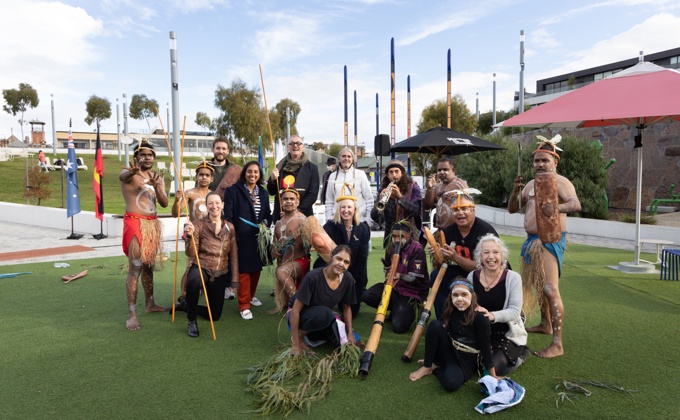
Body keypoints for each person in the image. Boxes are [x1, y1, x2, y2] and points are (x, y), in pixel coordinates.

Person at [508, 136, 581, 358]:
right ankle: (545, 324)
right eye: (537, 161)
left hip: (549, 239)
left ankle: (557, 343)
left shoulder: (560, 182)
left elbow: (575, 204)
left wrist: (554, 207)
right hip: (532, 242)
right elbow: (513, 208)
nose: (539, 164)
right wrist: (515, 190)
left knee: (550, 288)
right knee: (539, 286)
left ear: (555, 162)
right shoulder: (530, 184)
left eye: (544, 160)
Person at [408, 279, 499, 391]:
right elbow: (442, 333)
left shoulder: (480, 317)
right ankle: (428, 366)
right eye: (455, 295)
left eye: (464, 294)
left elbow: (486, 346)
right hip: (450, 349)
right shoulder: (450, 310)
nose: (459, 299)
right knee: (435, 325)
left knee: (450, 383)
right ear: (450, 297)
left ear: (472, 295)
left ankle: (435, 368)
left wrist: (493, 375)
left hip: (466, 360)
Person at [119, 140, 169, 330]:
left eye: (150, 155)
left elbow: (164, 203)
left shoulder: (157, 178)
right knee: (135, 268)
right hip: (135, 223)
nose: (147, 158)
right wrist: (132, 172)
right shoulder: (130, 175)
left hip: (152, 225)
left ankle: (150, 304)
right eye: (143, 154)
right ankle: (131, 314)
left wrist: (157, 187)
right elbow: (123, 176)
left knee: (148, 265)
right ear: (136, 157)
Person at [433, 190, 500, 321]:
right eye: (456, 210)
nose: (460, 213)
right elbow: (442, 263)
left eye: (464, 208)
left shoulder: (485, 233)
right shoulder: (449, 231)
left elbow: (484, 267)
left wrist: (455, 257)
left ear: (473, 210)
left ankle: (477, 318)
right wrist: (438, 254)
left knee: (478, 278)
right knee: (436, 276)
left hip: (487, 275)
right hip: (461, 272)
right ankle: (445, 319)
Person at [469, 234, 530, 375]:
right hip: (480, 331)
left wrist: (491, 316)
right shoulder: (472, 276)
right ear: (480, 257)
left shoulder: (513, 278)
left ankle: (520, 354)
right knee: (471, 364)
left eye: (495, 252)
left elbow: (515, 311)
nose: (491, 257)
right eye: (486, 252)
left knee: (494, 368)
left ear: (502, 256)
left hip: (505, 333)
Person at [183, 192, 239, 337]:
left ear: (222, 205)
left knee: (214, 315)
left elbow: (233, 255)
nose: (214, 206)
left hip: (220, 272)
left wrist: (234, 280)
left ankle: (187, 306)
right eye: (210, 203)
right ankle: (191, 320)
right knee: (194, 280)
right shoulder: (198, 225)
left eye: (217, 202)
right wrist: (189, 237)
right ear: (206, 206)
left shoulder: (230, 227)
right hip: (202, 267)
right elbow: (190, 253)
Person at [224, 161, 272, 320]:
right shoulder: (233, 191)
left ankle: (250, 296)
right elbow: (228, 215)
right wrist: (233, 235)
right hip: (241, 238)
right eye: (249, 172)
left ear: (260, 175)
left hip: (259, 238)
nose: (253, 175)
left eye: (256, 172)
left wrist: (266, 226)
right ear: (244, 173)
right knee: (243, 271)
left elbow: (266, 214)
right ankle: (243, 305)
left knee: (256, 269)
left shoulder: (263, 193)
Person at [289, 245, 358, 355]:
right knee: (326, 314)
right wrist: (296, 345)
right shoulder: (313, 277)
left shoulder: (347, 278)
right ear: (331, 256)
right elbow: (295, 311)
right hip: (301, 315)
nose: (341, 264)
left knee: (351, 339)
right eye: (339, 259)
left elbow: (347, 307)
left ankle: (315, 334)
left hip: (321, 315)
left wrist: (350, 333)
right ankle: (301, 336)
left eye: (346, 262)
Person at [363, 222, 429, 333]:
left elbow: (414, 278)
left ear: (409, 234)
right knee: (368, 296)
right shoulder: (390, 248)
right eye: (394, 236)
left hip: (412, 292)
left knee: (399, 327)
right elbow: (387, 270)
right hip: (395, 287)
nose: (397, 240)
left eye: (401, 236)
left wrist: (399, 275)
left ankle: (411, 310)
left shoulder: (417, 249)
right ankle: (395, 309)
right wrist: (389, 274)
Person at [313, 191, 370, 317]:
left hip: (353, 271)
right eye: (343, 207)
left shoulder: (363, 228)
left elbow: (363, 256)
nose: (346, 210)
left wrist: (352, 277)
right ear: (339, 209)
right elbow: (323, 252)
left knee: (353, 312)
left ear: (354, 210)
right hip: (332, 268)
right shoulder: (329, 226)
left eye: (349, 207)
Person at [171, 161, 213, 307]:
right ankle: (184, 295)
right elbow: (176, 213)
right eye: (201, 175)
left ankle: (203, 292)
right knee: (191, 265)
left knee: (207, 265)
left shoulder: (214, 196)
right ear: (196, 176)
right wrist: (177, 200)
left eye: (207, 175)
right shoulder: (190, 194)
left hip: (209, 236)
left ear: (211, 179)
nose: (204, 178)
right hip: (193, 234)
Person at [207, 136, 241, 300]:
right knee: (209, 248)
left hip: (229, 215)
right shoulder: (205, 167)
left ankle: (228, 285)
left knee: (228, 250)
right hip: (209, 214)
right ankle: (205, 282)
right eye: (218, 148)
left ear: (228, 151)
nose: (221, 151)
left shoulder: (235, 170)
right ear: (213, 149)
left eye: (224, 148)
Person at [271, 189, 310, 313]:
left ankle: (297, 303)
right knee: (281, 270)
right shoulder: (278, 223)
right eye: (285, 199)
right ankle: (291, 300)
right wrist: (274, 251)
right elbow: (273, 246)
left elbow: (312, 244)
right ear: (281, 202)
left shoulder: (302, 220)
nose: (288, 201)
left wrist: (302, 238)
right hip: (284, 263)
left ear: (297, 202)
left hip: (300, 262)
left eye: (292, 199)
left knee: (281, 271)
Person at [371, 159, 423, 248]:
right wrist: (380, 201)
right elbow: (375, 218)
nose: (394, 175)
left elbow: (416, 211)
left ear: (402, 173)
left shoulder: (413, 186)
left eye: (396, 171)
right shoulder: (383, 189)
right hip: (390, 236)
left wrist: (400, 197)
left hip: (410, 235)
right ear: (387, 175)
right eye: (391, 172)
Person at [267, 135, 319, 223]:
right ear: (288, 147)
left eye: (299, 143)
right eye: (292, 143)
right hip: (281, 217)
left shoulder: (312, 169)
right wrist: (272, 179)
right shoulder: (279, 166)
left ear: (303, 147)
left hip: (303, 217)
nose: (295, 146)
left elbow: (312, 195)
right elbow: (271, 192)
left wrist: (295, 212)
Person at [324, 147, 374, 223]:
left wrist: (368, 220)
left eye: (349, 156)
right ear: (339, 159)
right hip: (337, 221)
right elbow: (329, 200)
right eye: (343, 156)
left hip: (358, 220)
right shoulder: (332, 176)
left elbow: (369, 199)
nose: (346, 159)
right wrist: (329, 219)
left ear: (353, 159)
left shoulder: (360, 175)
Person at [423, 157, 469, 229]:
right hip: (440, 230)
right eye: (439, 170)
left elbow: (468, 208)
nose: (441, 172)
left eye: (445, 169)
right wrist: (429, 189)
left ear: (453, 170)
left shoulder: (460, 185)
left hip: (456, 230)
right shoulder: (437, 186)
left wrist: (457, 199)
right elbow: (428, 205)